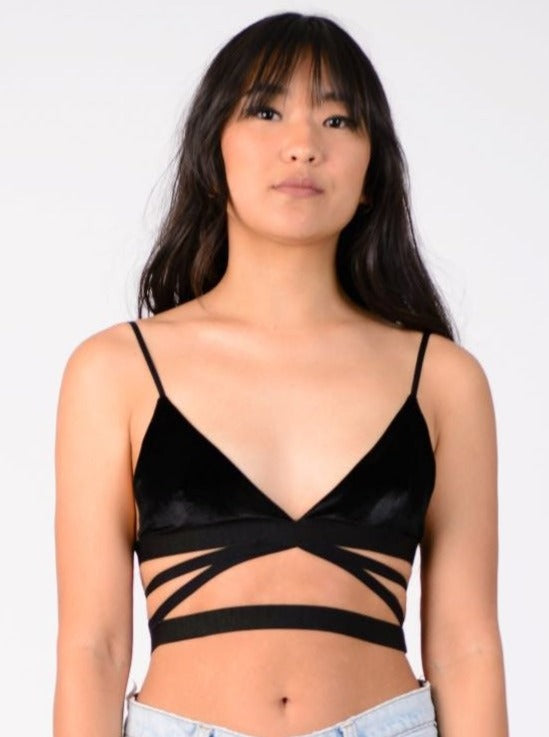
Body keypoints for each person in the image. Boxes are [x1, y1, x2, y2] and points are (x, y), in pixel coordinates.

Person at [53, 12, 509, 737]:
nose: (303, 145)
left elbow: (467, 645)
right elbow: (94, 648)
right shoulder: (117, 371)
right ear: (213, 151)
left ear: (371, 172)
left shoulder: (441, 380)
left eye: (338, 120)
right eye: (266, 111)